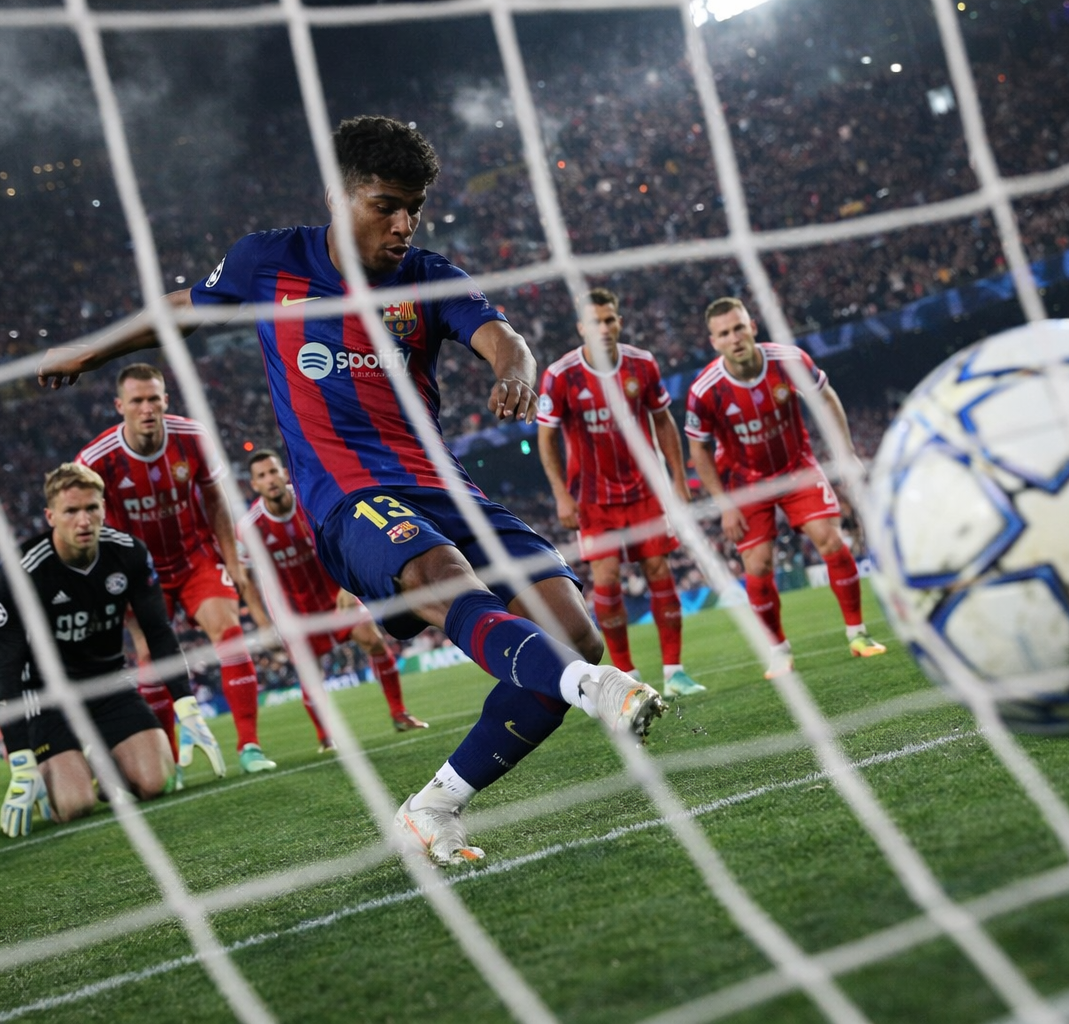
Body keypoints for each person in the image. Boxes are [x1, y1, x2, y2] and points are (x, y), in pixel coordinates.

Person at [36, 115, 662, 866]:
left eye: (415, 210)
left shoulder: (428, 276)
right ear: (341, 195)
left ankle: (436, 807)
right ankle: (592, 689)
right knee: (449, 582)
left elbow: (502, 338)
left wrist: (514, 371)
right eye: (386, 206)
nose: (403, 225)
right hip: (347, 497)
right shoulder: (270, 262)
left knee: (575, 638)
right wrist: (90, 351)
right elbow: (182, 310)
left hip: (445, 490)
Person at [0, 463, 223, 836]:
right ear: (51, 516)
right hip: (48, 696)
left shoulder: (128, 554)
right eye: (71, 511)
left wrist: (186, 705)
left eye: (91, 508)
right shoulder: (22, 571)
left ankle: (103, 762)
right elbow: (4, 666)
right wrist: (20, 759)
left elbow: (158, 631)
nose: (83, 520)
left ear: (104, 508)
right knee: (75, 806)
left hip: (109, 684)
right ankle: (58, 774)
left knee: (157, 782)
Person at [76, 364, 277, 775]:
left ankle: (249, 747)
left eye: (154, 398)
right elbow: (84, 524)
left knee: (231, 634)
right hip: (138, 572)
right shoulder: (95, 460)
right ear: (120, 406)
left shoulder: (192, 437)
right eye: (137, 401)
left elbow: (216, 501)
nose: (147, 408)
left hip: (194, 556)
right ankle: (167, 761)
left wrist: (232, 561)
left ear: (166, 400)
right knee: (151, 659)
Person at [685, 297, 888, 679]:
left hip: (796, 467)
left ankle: (858, 634)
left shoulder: (787, 360)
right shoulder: (704, 390)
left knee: (831, 539)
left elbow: (826, 398)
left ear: (752, 327)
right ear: (714, 342)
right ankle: (778, 652)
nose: (735, 338)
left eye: (739, 328)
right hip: (745, 483)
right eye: (724, 333)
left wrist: (845, 454)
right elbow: (698, 448)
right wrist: (724, 504)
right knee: (757, 565)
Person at [538, 288, 705, 698]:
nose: (604, 328)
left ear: (619, 322)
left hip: (644, 490)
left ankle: (675, 672)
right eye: (595, 321)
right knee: (607, 581)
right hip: (594, 499)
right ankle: (626, 678)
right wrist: (561, 494)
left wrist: (679, 481)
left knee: (659, 572)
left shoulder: (642, 364)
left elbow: (663, 421)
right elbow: (547, 438)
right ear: (582, 328)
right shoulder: (561, 375)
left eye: (609, 320)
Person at [241, 449, 429, 747]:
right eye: (262, 476)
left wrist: (346, 586)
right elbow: (247, 580)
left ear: (285, 473)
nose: (271, 480)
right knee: (310, 673)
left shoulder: (308, 501)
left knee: (373, 641)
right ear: (254, 485)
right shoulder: (249, 526)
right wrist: (263, 623)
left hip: (334, 594)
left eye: (274, 471)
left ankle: (399, 713)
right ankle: (326, 738)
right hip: (295, 612)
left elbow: (343, 542)